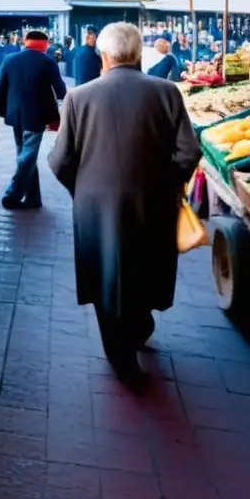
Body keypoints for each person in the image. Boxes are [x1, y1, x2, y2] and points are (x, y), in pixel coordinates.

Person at [49, 23, 198, 383]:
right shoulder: (167, 92)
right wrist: (165, 182)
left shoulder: (79, 96)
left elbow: (59, 160)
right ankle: (139, 328)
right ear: (138, 53)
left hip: (95, 206)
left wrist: (83, 188)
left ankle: (121, 355)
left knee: (105, 274)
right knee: (147, 266)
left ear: (104, 56)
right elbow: (190, 151)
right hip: (154, 201)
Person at [0, 30, 66, 210]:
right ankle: (14, 194)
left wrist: (2, 110)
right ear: (44, 44)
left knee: (24, 155)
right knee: (27, 157)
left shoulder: (10, 59)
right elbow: (60, 90)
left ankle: (34, 198)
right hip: (36, 116)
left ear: (26, 42)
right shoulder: (48, 61)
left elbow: (0, 88)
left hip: (15, 115)